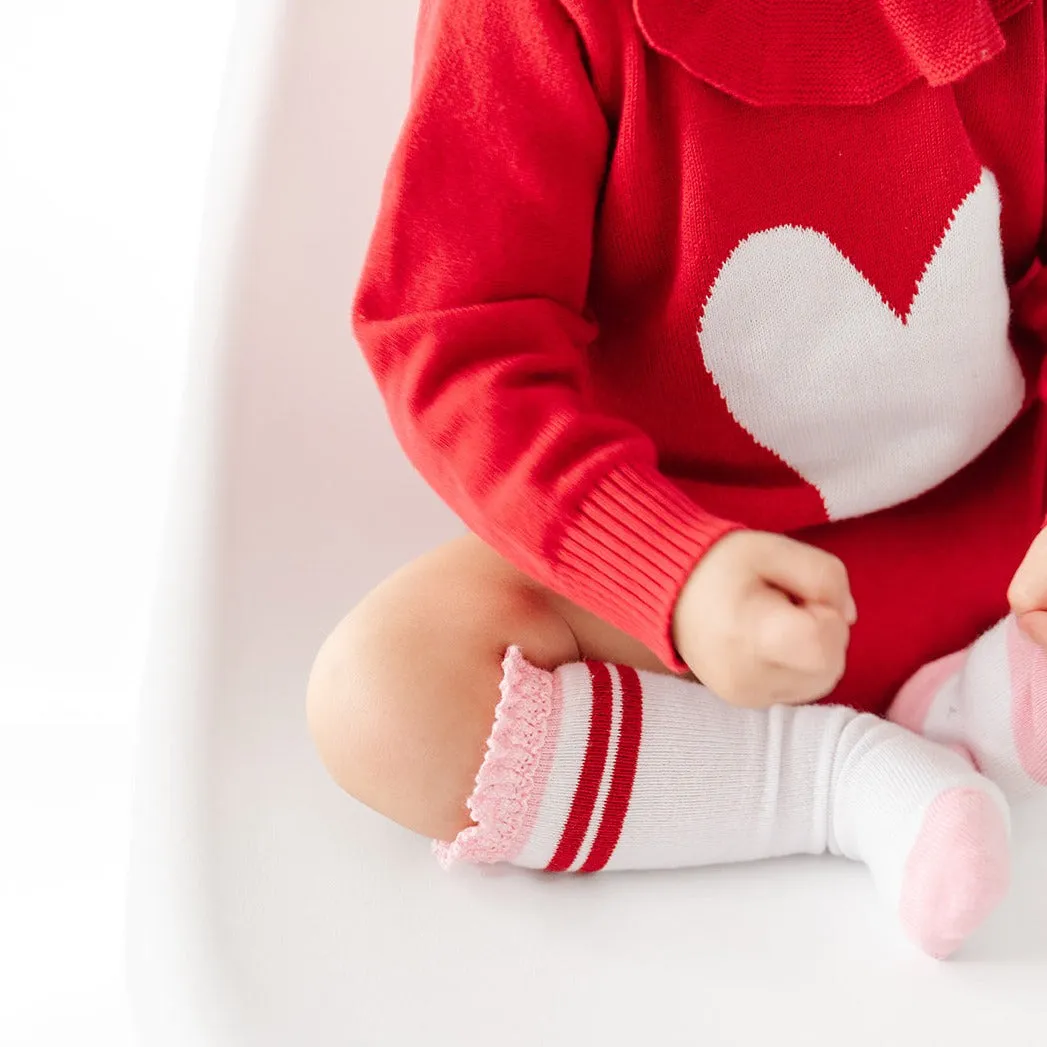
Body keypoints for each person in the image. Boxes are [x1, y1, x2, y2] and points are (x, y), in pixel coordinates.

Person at [306, 0, 1047, 958]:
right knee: (382, 694)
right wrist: (670, 570)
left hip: (993, 540)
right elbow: (458, 338)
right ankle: (826, 778)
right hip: (686, 591)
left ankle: (992, 695)